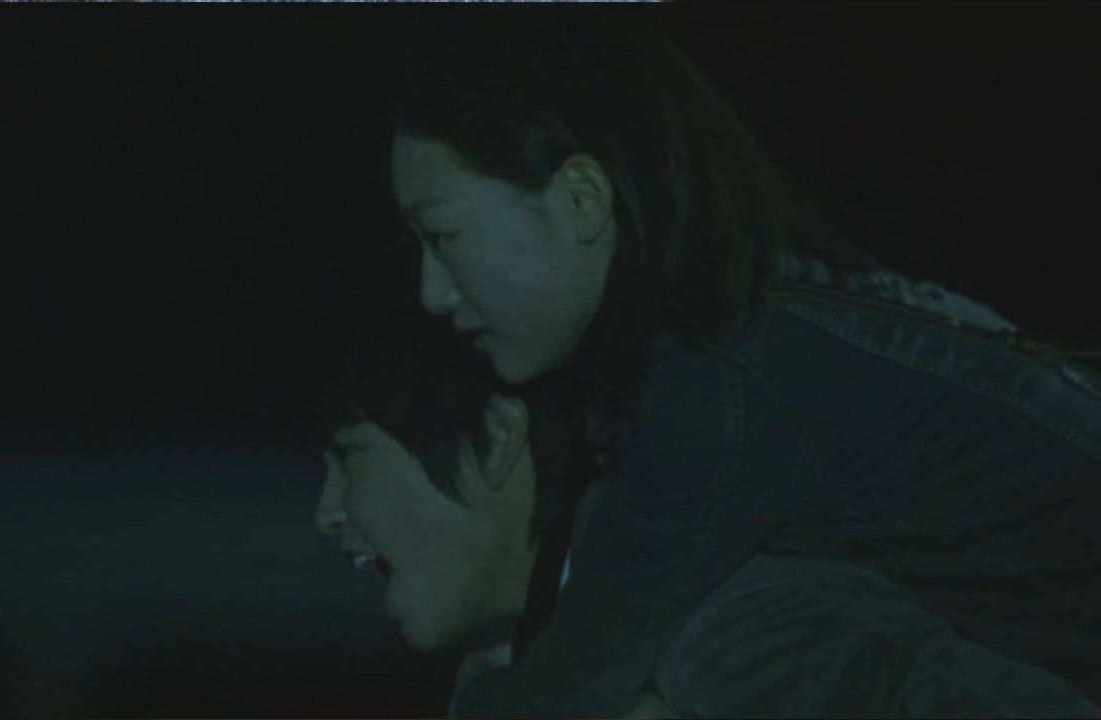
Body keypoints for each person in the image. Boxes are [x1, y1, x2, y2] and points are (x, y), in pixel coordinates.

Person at [381, 12, 1101, 718]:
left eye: (442, 237)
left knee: (705, 627)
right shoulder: (766, 320)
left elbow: (571, 693)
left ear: (581, 199)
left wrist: (479, 693)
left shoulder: (715, 384)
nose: (430, 292)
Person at [310, 320, 1098, 718]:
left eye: (350, 456)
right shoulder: (573, 649)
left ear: (494, 439)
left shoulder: (714, 625)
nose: (326, 513)